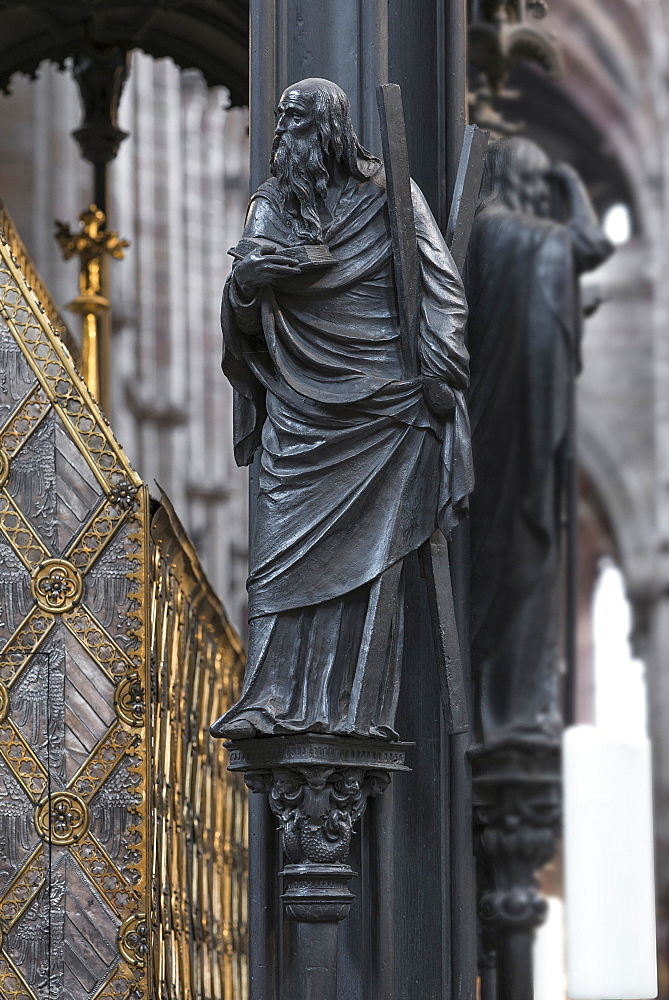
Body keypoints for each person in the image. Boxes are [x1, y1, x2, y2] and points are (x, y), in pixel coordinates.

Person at [211, 78, 473, 740]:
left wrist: (442, 368)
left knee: (366, 561)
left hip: (381, 412)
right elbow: (242, 310)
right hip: (298, 411)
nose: (282, 136)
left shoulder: (390, 197)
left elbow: (441, 286)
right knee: (275, 556)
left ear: (330, 130)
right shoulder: (269, 205)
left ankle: (350, 711)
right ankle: (268, 698)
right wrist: (244, 287)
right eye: (279, 123)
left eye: (296, 123)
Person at [465, 137, 613, 744]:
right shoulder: (526, 239)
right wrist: (569, 183)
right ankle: (513, 717)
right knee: (524, 575)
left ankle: (498, 713)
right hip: (522, 448)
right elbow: (592, 244)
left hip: (483, 443)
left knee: (495, 578)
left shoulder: (475, 238)